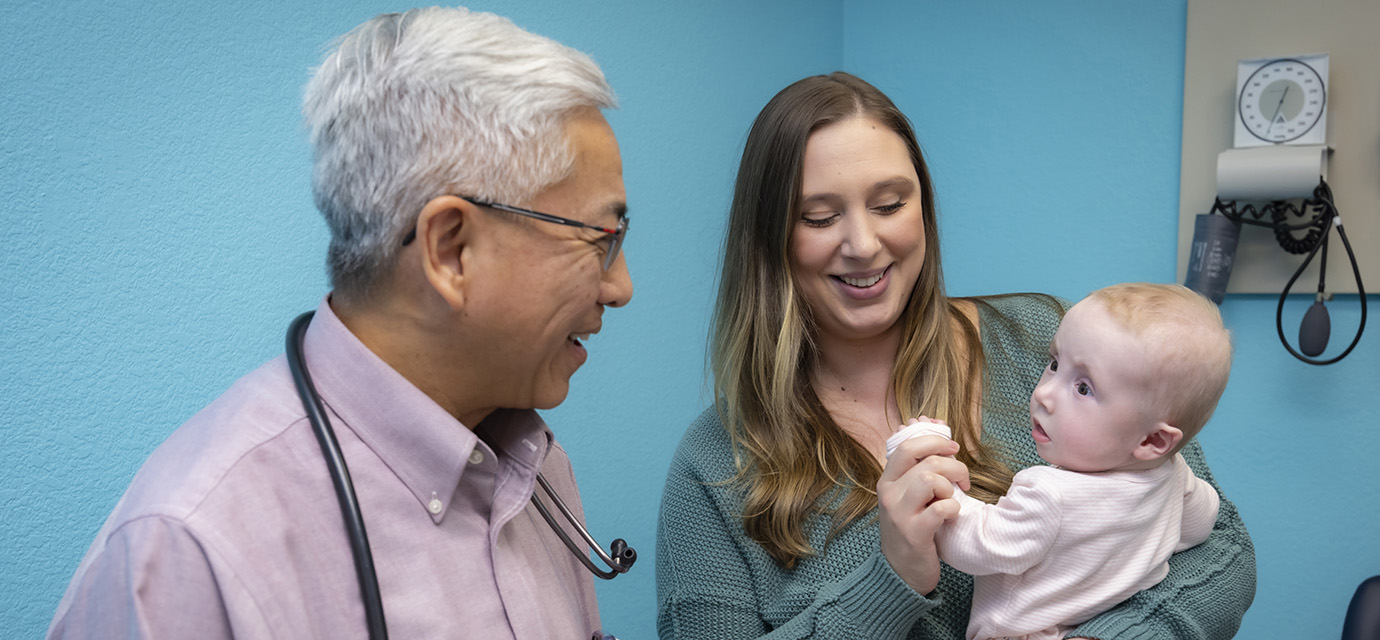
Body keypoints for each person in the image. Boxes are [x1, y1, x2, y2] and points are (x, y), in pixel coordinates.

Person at [49, 7, 633, 639]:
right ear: (451, 249)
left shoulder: (533, 467)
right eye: (600, 239)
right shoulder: (187, 551)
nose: (621, 288)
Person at [655, 72, 1255, 639]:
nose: (863, 244)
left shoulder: (1053, 342)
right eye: (820, 217)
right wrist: (888, 582)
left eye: (889, 205)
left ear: (924, 207)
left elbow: (1222, 551)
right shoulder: (712, 467)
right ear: (769, 237)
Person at [887, 282, 1230, 640]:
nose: (1044, 394)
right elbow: (1201, 525)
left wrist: (930, 475)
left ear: (1152, 441)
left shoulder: (1049, 493)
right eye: (1054, 364)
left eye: (1083, 388)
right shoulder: (1176, 477)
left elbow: (975, 545)